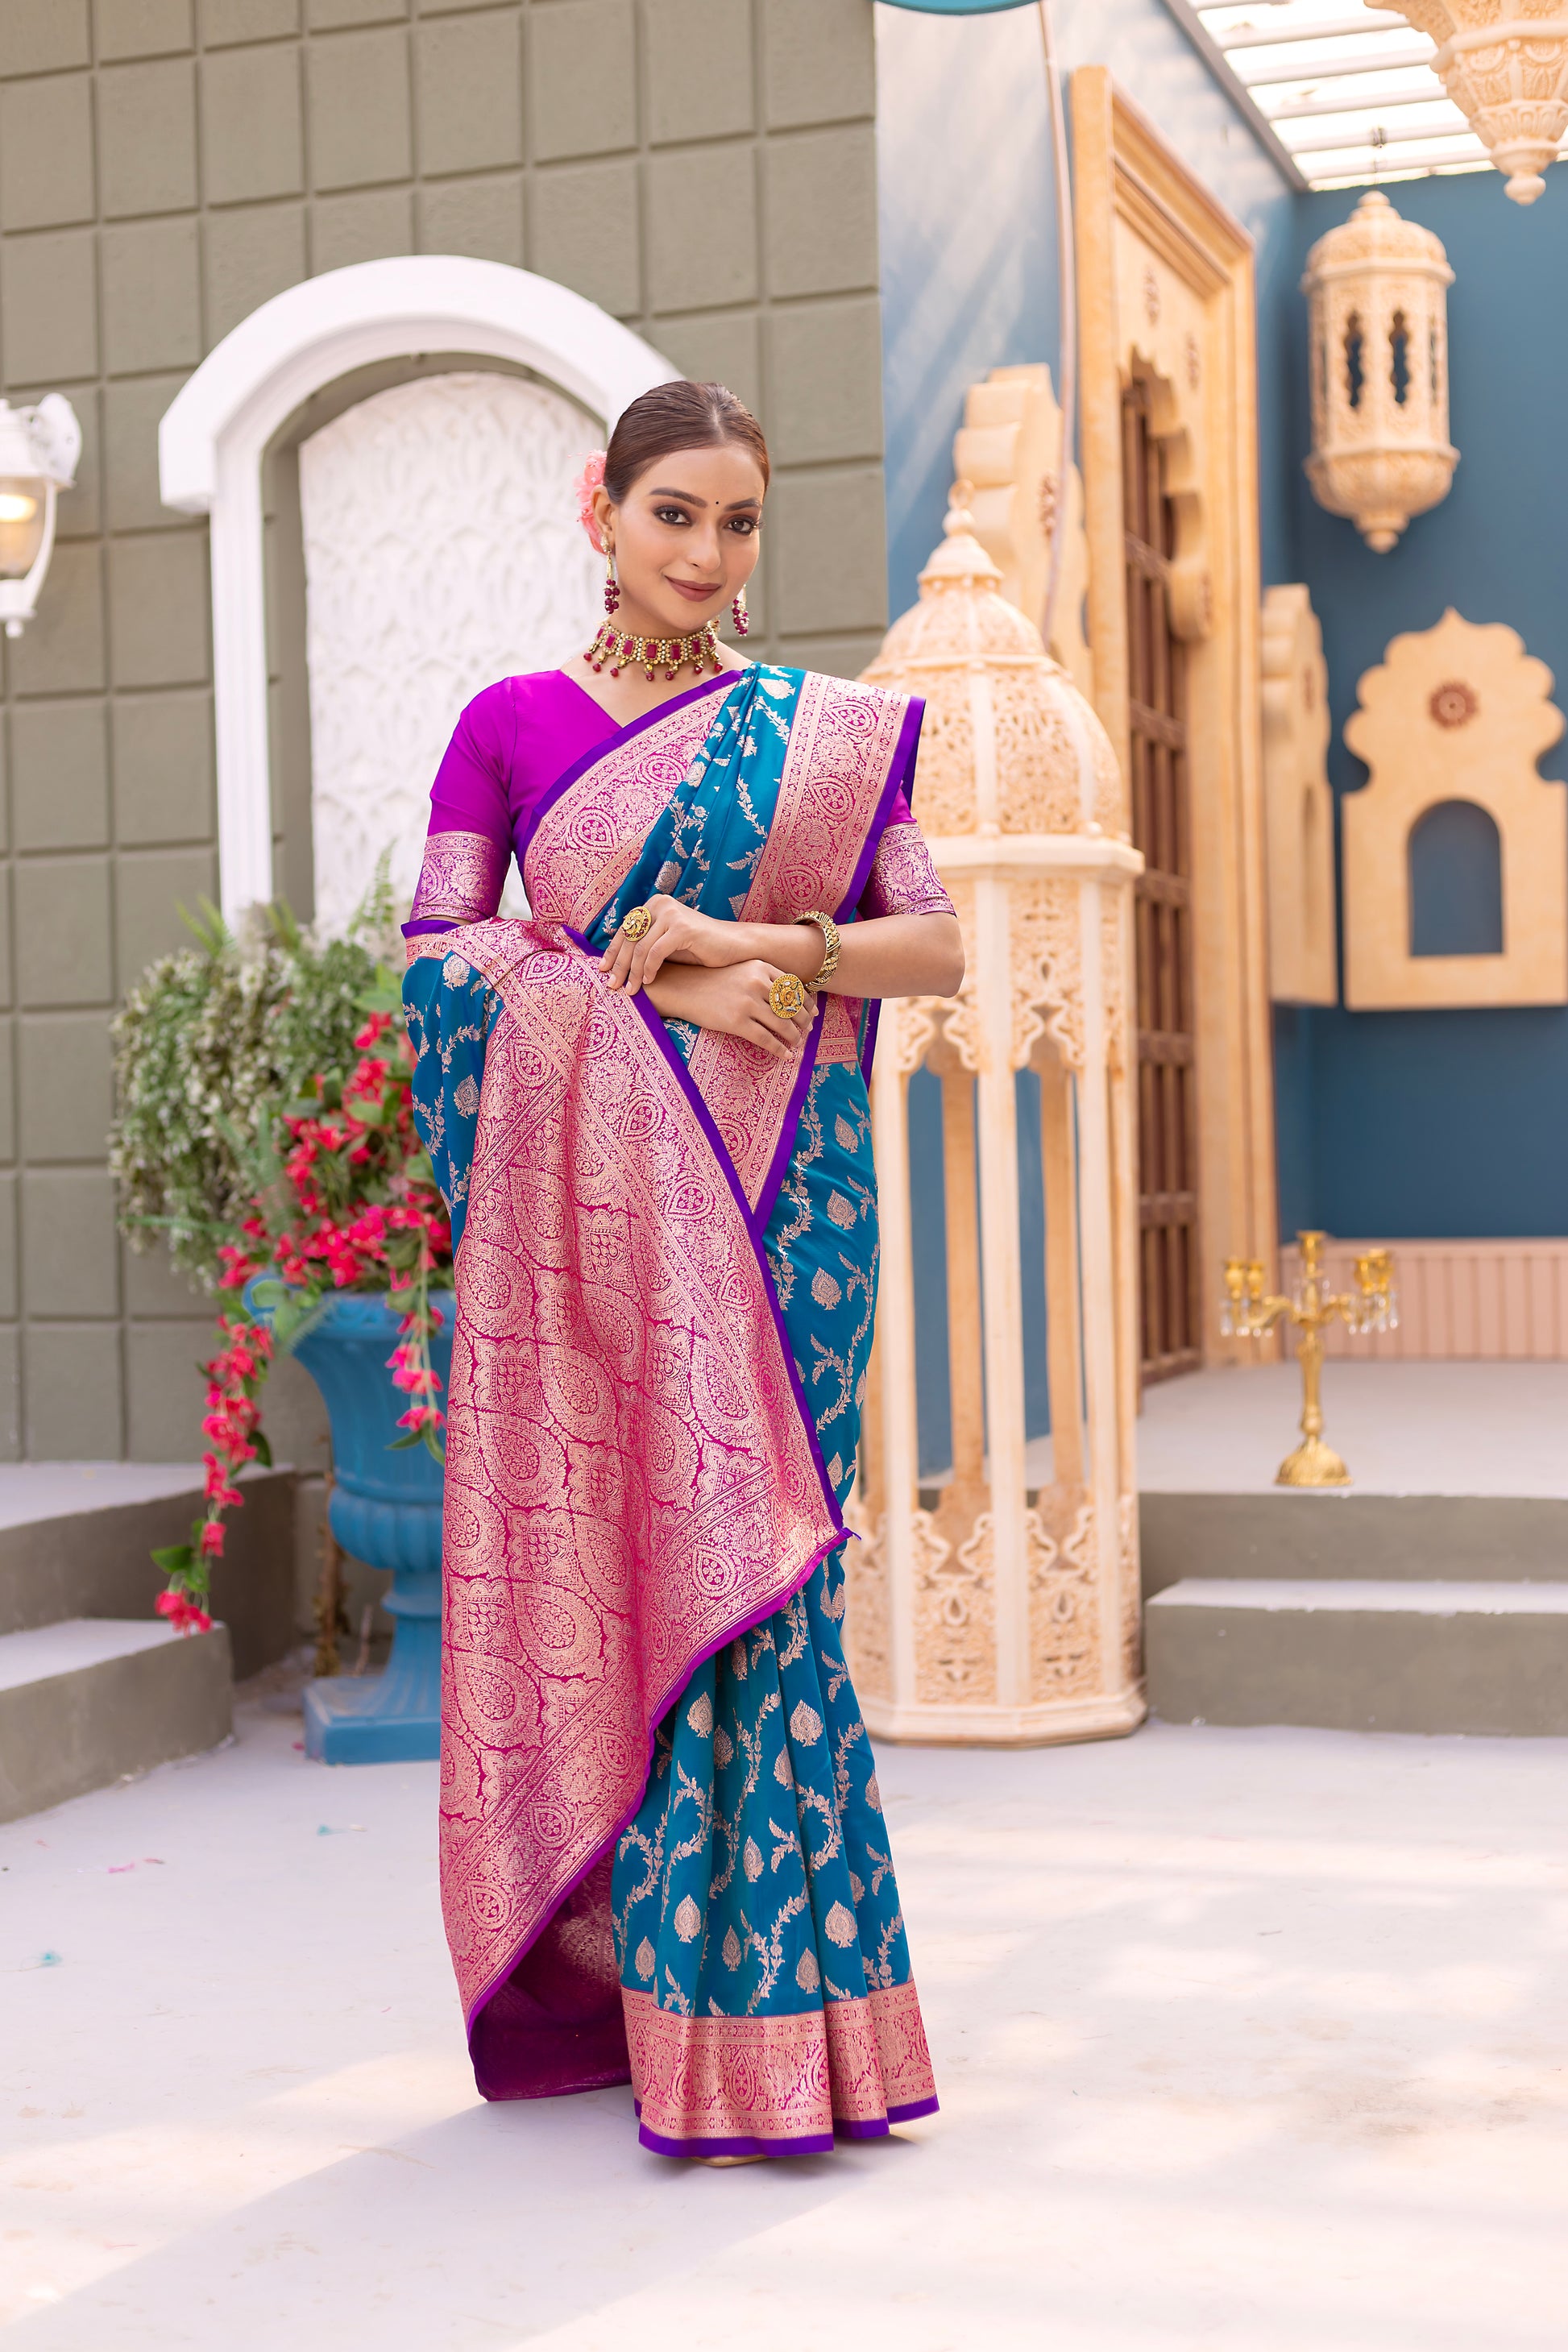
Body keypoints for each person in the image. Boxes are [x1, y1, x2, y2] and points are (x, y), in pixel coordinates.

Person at [402, 380, 962, 2163]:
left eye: (737, 522)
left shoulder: (821, 734)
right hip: (601, 1239)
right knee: (640, 1560)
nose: (708, 555)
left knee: (770, 1585)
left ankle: (794, 2036)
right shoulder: (505, 728)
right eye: (674, 515)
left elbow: (932, 943)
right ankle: (668, 2014)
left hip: (790, 1210)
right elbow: (441, 962)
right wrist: (666, 986)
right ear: (602, 508)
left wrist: (749, 938)